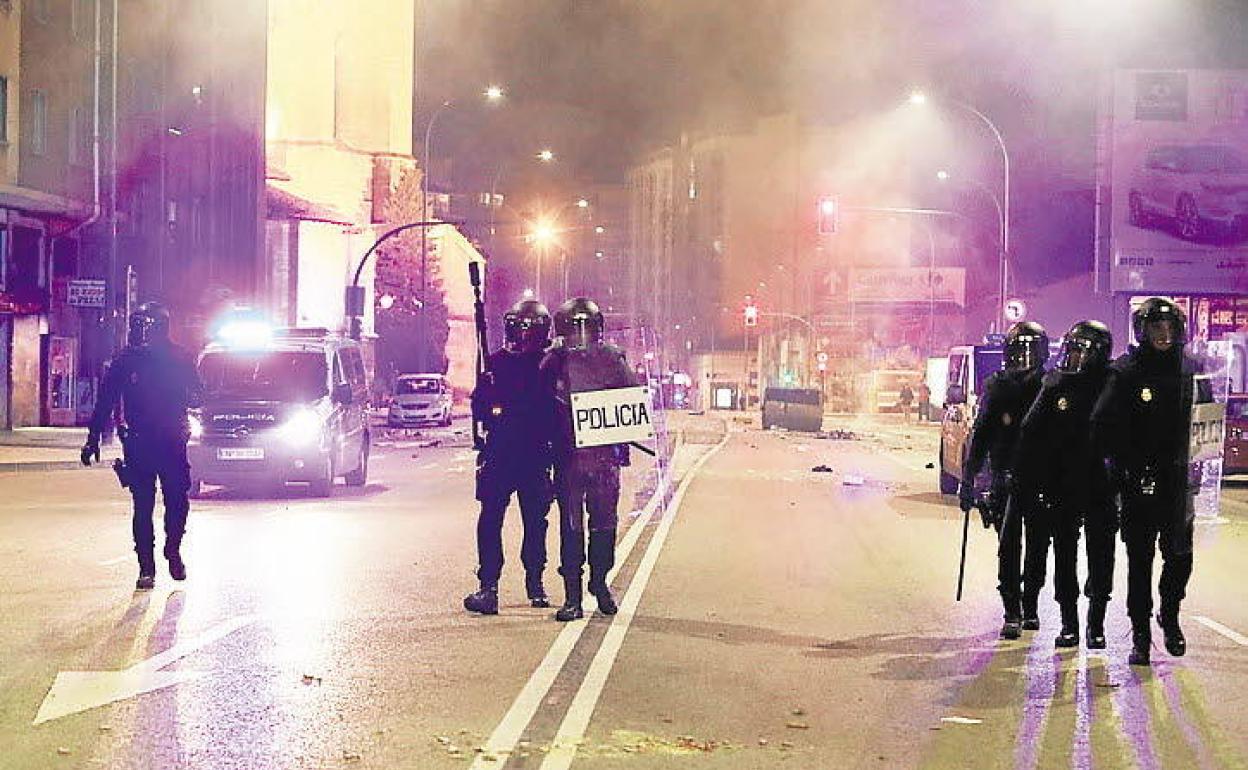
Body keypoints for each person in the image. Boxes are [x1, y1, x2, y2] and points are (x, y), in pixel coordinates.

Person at [1092, 297, 1210, 666]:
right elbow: (1101, 423)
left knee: (1180, 557)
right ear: (1142, 332)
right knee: (1139, 561)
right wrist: (1122, 466)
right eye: (1156, 328)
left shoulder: (1191, 369)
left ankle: (1170, 613)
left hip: (1178, 483)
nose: (1163, 334)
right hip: (1139, 482)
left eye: (1169, 328)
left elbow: (1207, 418)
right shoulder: (1126, 371)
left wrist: (1204, 460)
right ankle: (1140, 634)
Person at [81, 302, 203, 590]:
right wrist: (93, 438)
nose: (139, 332)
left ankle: (172, 550)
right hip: (139, 443)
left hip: (172, 441)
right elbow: (106, 401)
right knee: (142, 506)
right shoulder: (126, 361)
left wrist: (185, 394)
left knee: (177, 501)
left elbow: (199, 395)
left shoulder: (180, 358)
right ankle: (146, 568)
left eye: (144, 326)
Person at [1014, 321, 1116, 649]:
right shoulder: (1055, 384)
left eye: (1082, 353)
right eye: (1071, 351)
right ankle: (1068, 622)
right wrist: (1031, 480)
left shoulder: (1112, 384)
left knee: (1102, 556)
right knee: (1064, 556)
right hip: (1062, 484)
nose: (1074, 359)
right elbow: (1031, 431)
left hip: (1100, 485)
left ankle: (1095, 623)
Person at [541, 297, 637, 621]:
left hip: (603, 458)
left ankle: (599, 581)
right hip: (568, 456)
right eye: (574, 329)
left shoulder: (612, 359)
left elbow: (630, 394)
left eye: (586, 328)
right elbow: (537, 400)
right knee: (571, 528)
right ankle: (572, 595)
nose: (579, 336)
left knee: (604, 526)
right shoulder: (553, 360)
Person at [463, 300, 556, 615]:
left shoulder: (548, 365)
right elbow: (480, 409)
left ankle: (535, 582)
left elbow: (556, 409)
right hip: (502, 451)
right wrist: (487, 393)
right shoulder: (495, 364)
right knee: (491, 520)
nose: (525, 337)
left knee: (535, 523)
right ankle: (488, 585)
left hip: (533, 453)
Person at [959, 321, 1049, 639]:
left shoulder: (1049, 386)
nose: (1023, 359)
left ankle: (1031, 602)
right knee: (1008, 546)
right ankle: (1012, 608)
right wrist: (968, 480)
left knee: (1038, 547)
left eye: (1029, 352)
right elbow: (981, 435)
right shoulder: (997, 387)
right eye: (1018, 352)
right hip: (1005, 478)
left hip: (1040, 479)